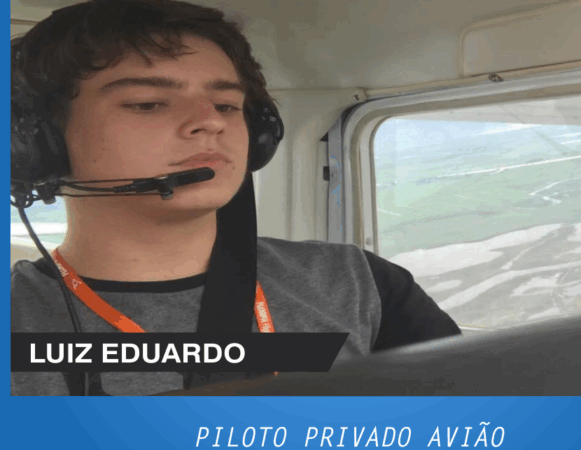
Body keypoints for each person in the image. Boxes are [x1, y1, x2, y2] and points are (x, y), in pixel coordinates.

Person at [10, 0, 461, 396]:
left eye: (227, 105)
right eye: (148, 103)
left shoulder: (360, 284)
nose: (211, 121)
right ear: (39, 142)